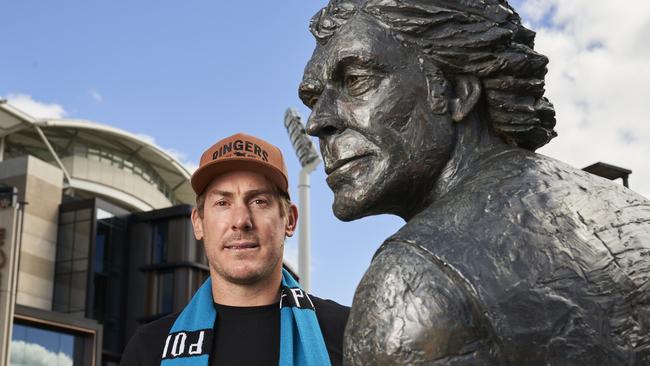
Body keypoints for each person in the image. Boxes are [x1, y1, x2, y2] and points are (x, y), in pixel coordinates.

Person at [300, 0, 650, 365]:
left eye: (355, 81)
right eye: (312, 99)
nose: (316, 122)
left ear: (457, 93)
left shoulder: (413, 289)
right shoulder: (635, 215)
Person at [120, 133, 349, 366]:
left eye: (259, 201)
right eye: (223, 203)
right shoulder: (148, 349)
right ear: (198, 223)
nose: (240, 220)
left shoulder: (349, 333)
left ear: (289, 220)